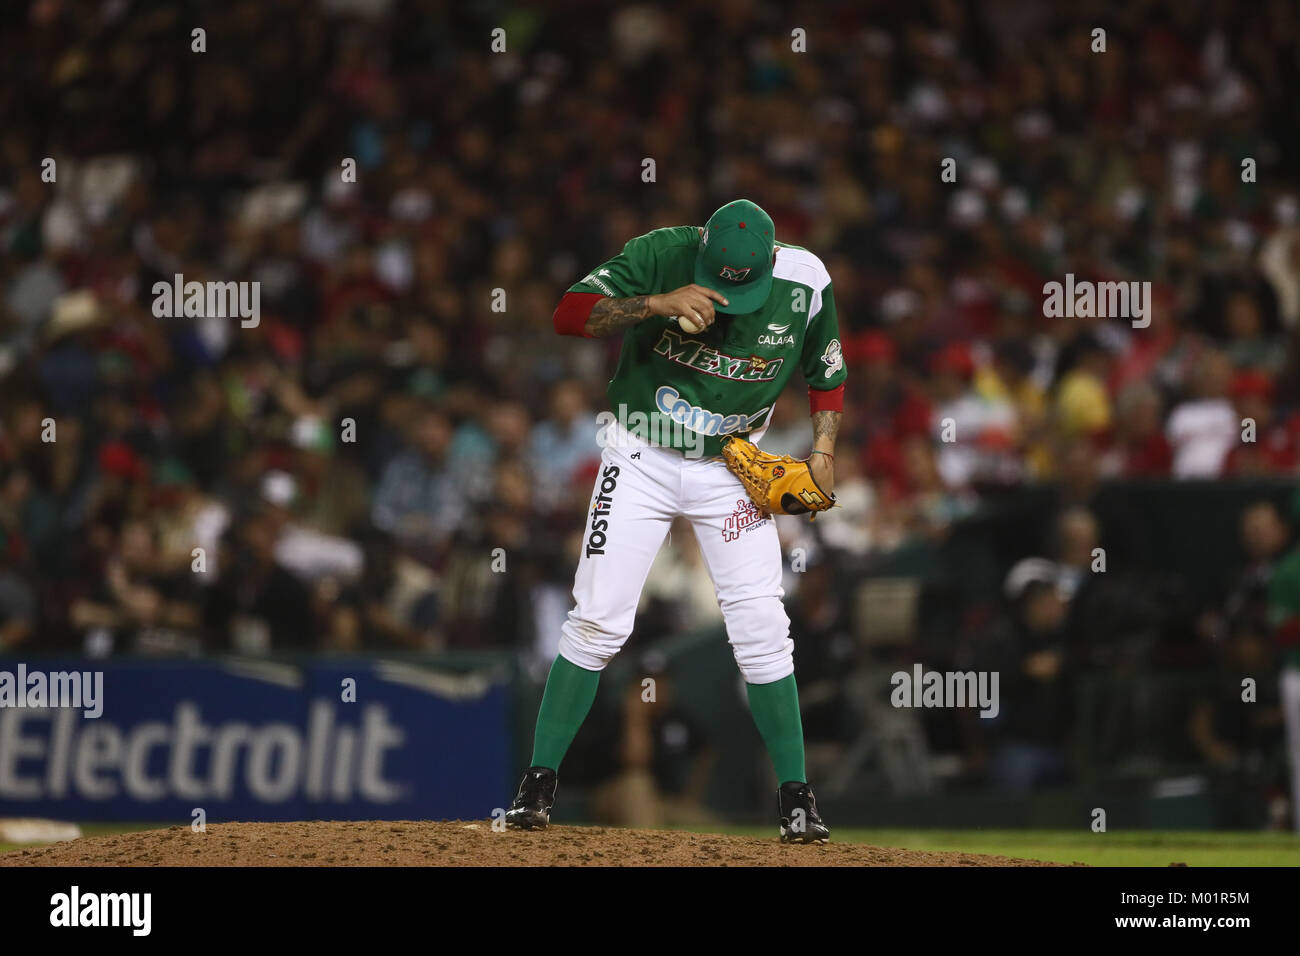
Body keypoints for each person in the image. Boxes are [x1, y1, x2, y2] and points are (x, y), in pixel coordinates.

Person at [505, 200, 845, 842]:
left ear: (771, 262)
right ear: (703, 251)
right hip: (641, 454)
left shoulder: (806, 280)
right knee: (598, 618)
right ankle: (538, 785)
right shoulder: (660, 252)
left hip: (732, 466)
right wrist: (655, 303)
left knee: (763, 626)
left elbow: (826, 368)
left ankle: (797, 798)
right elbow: (568, 315)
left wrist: (824, 448)